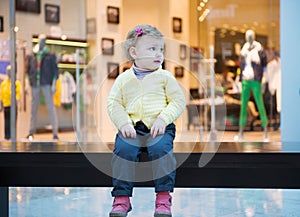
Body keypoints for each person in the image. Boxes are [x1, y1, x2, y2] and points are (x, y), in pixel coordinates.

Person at [107, 24, 186, 217]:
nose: (159, 54)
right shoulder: (123, 79)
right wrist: (124, 123)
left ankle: (163, 198)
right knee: (123, 151)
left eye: (161, 49)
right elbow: (113, 103)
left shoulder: (164, 77)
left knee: (161, 151)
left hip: (160, 129)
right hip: (132, 129)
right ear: (134, 52)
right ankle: (122, 199)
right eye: (152, 49)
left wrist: (163, 119)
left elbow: (178, 100)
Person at [26, 34, 59, 140]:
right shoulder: (32, 55)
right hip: (35, 84)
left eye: (44, 41)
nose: (42, 42)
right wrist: (27, 84)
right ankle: (31, 132)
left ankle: (55, 132)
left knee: (51, 107)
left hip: (46, 83)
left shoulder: (50, 55)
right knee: (33, 109)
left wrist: (54, 84)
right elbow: (28, 70)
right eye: (41, 40)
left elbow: (55, 71)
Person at [237, 29, 268, 140]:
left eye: (251, 36)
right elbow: (241, 66)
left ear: (254, 37)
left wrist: (264, 78)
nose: (249, 38)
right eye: (247, 36)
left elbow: (264, 65)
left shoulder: (259, 49)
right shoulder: (243, 50)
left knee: (260, 104)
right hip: (245, 79)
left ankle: (265, 132)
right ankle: (241, 132)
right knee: (243, 106)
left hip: (255, 80)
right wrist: (239, 80)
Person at [0, 65, 21, 140]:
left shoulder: (16, 83)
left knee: (13, 122)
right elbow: (1, 94)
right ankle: (7, 136)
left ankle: (13, 136)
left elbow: (18, 93)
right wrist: (1, 104)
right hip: (6, 105)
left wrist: (16, 100)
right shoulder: (4, 84)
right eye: (8, 71)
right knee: (6, 121)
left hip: (13, 105)